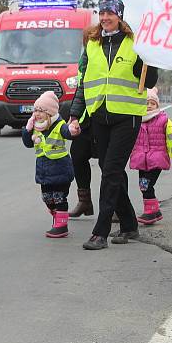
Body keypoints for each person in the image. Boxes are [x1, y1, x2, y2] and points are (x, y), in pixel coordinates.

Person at [68, 0, 158, 250]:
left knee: (111, 171)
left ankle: (101, 232)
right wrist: (76, 114)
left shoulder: (136, 43)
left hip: (126, 116)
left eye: (111, 13)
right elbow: (84, 82)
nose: (105, 18)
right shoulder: (92, 44)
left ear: (120, 16)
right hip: (99, 114)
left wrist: (146, 61)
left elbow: (149, 81)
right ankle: (129, 225)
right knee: (111, 169)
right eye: (102, 13)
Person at [129, 87, 172, 226]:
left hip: (156, 159)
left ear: (157, 105)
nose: (149, 106)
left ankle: (151, 212)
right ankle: (153, 210)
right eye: (146, 103)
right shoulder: (136, 120)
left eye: (152, 103)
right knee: (143, 185)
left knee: (146, 184)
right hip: (141, 160)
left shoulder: (162, 120)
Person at [21, 91, 77, 238]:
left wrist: (73, 129)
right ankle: (58, 215)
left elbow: (67, 133)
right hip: (44, 170)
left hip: (61, 169)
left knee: (59, 197)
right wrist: (27, 130)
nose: (37, 114)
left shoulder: (59, 125)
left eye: (41, 111)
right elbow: (27, 144)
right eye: (36, 110)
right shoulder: (36, 126)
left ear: (50, 113)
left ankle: (61, 225)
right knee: (47, 197)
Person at [69, 26, 98, 218]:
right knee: (77, 156)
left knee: (109, 164)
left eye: (92, 40)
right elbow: (81, 88)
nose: (89, 43)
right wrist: (74, 115)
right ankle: (84, 201)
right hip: (85, 118)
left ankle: (116, 207)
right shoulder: (83, 61)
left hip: (103, 115)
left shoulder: (101, 59)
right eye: (87, 41)